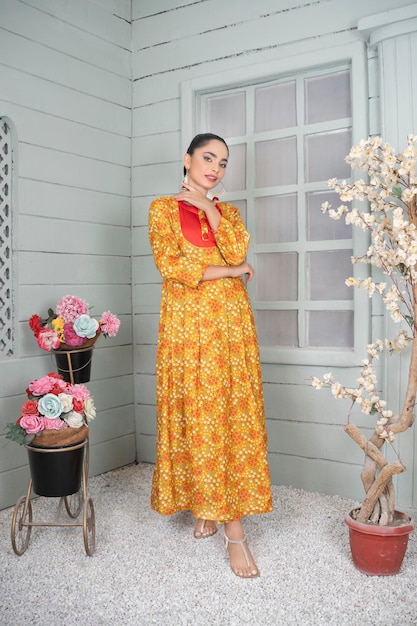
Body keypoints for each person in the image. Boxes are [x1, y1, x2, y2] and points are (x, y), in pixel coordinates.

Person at [148, 133, 272, 578]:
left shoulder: (229, 213)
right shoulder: (162, 209)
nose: (215, 167)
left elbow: (237, 248)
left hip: (230, 327)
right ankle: (206, 503)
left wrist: (209, 209)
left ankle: (233, 530)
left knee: (228, 415)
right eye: (207, 157)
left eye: (222, 162)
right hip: (186, 328)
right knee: (197, 413)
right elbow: (175, 268)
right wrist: (234, 271)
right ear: (187, 159)